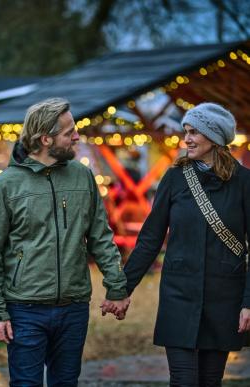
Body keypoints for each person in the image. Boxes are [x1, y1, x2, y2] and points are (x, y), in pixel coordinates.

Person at [0, 97, 130, 387]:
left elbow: (101, 237)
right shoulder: (5, 185)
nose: (77, 136)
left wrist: (117, 288)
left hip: (73, 307)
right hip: (24, 309)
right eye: (68, 132)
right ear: (45, 139)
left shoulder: (83, 176)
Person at [122, 103, 250, 386]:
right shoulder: (175, 177)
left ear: (215, 137)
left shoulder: (244, 182)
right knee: (183, 380)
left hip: (224, 298)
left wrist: (248, 302)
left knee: (210, 381)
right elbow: (150, 238)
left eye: (194, 132)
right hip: (179, 294)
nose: (187, 139)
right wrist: (122, 289)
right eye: (186, 132)